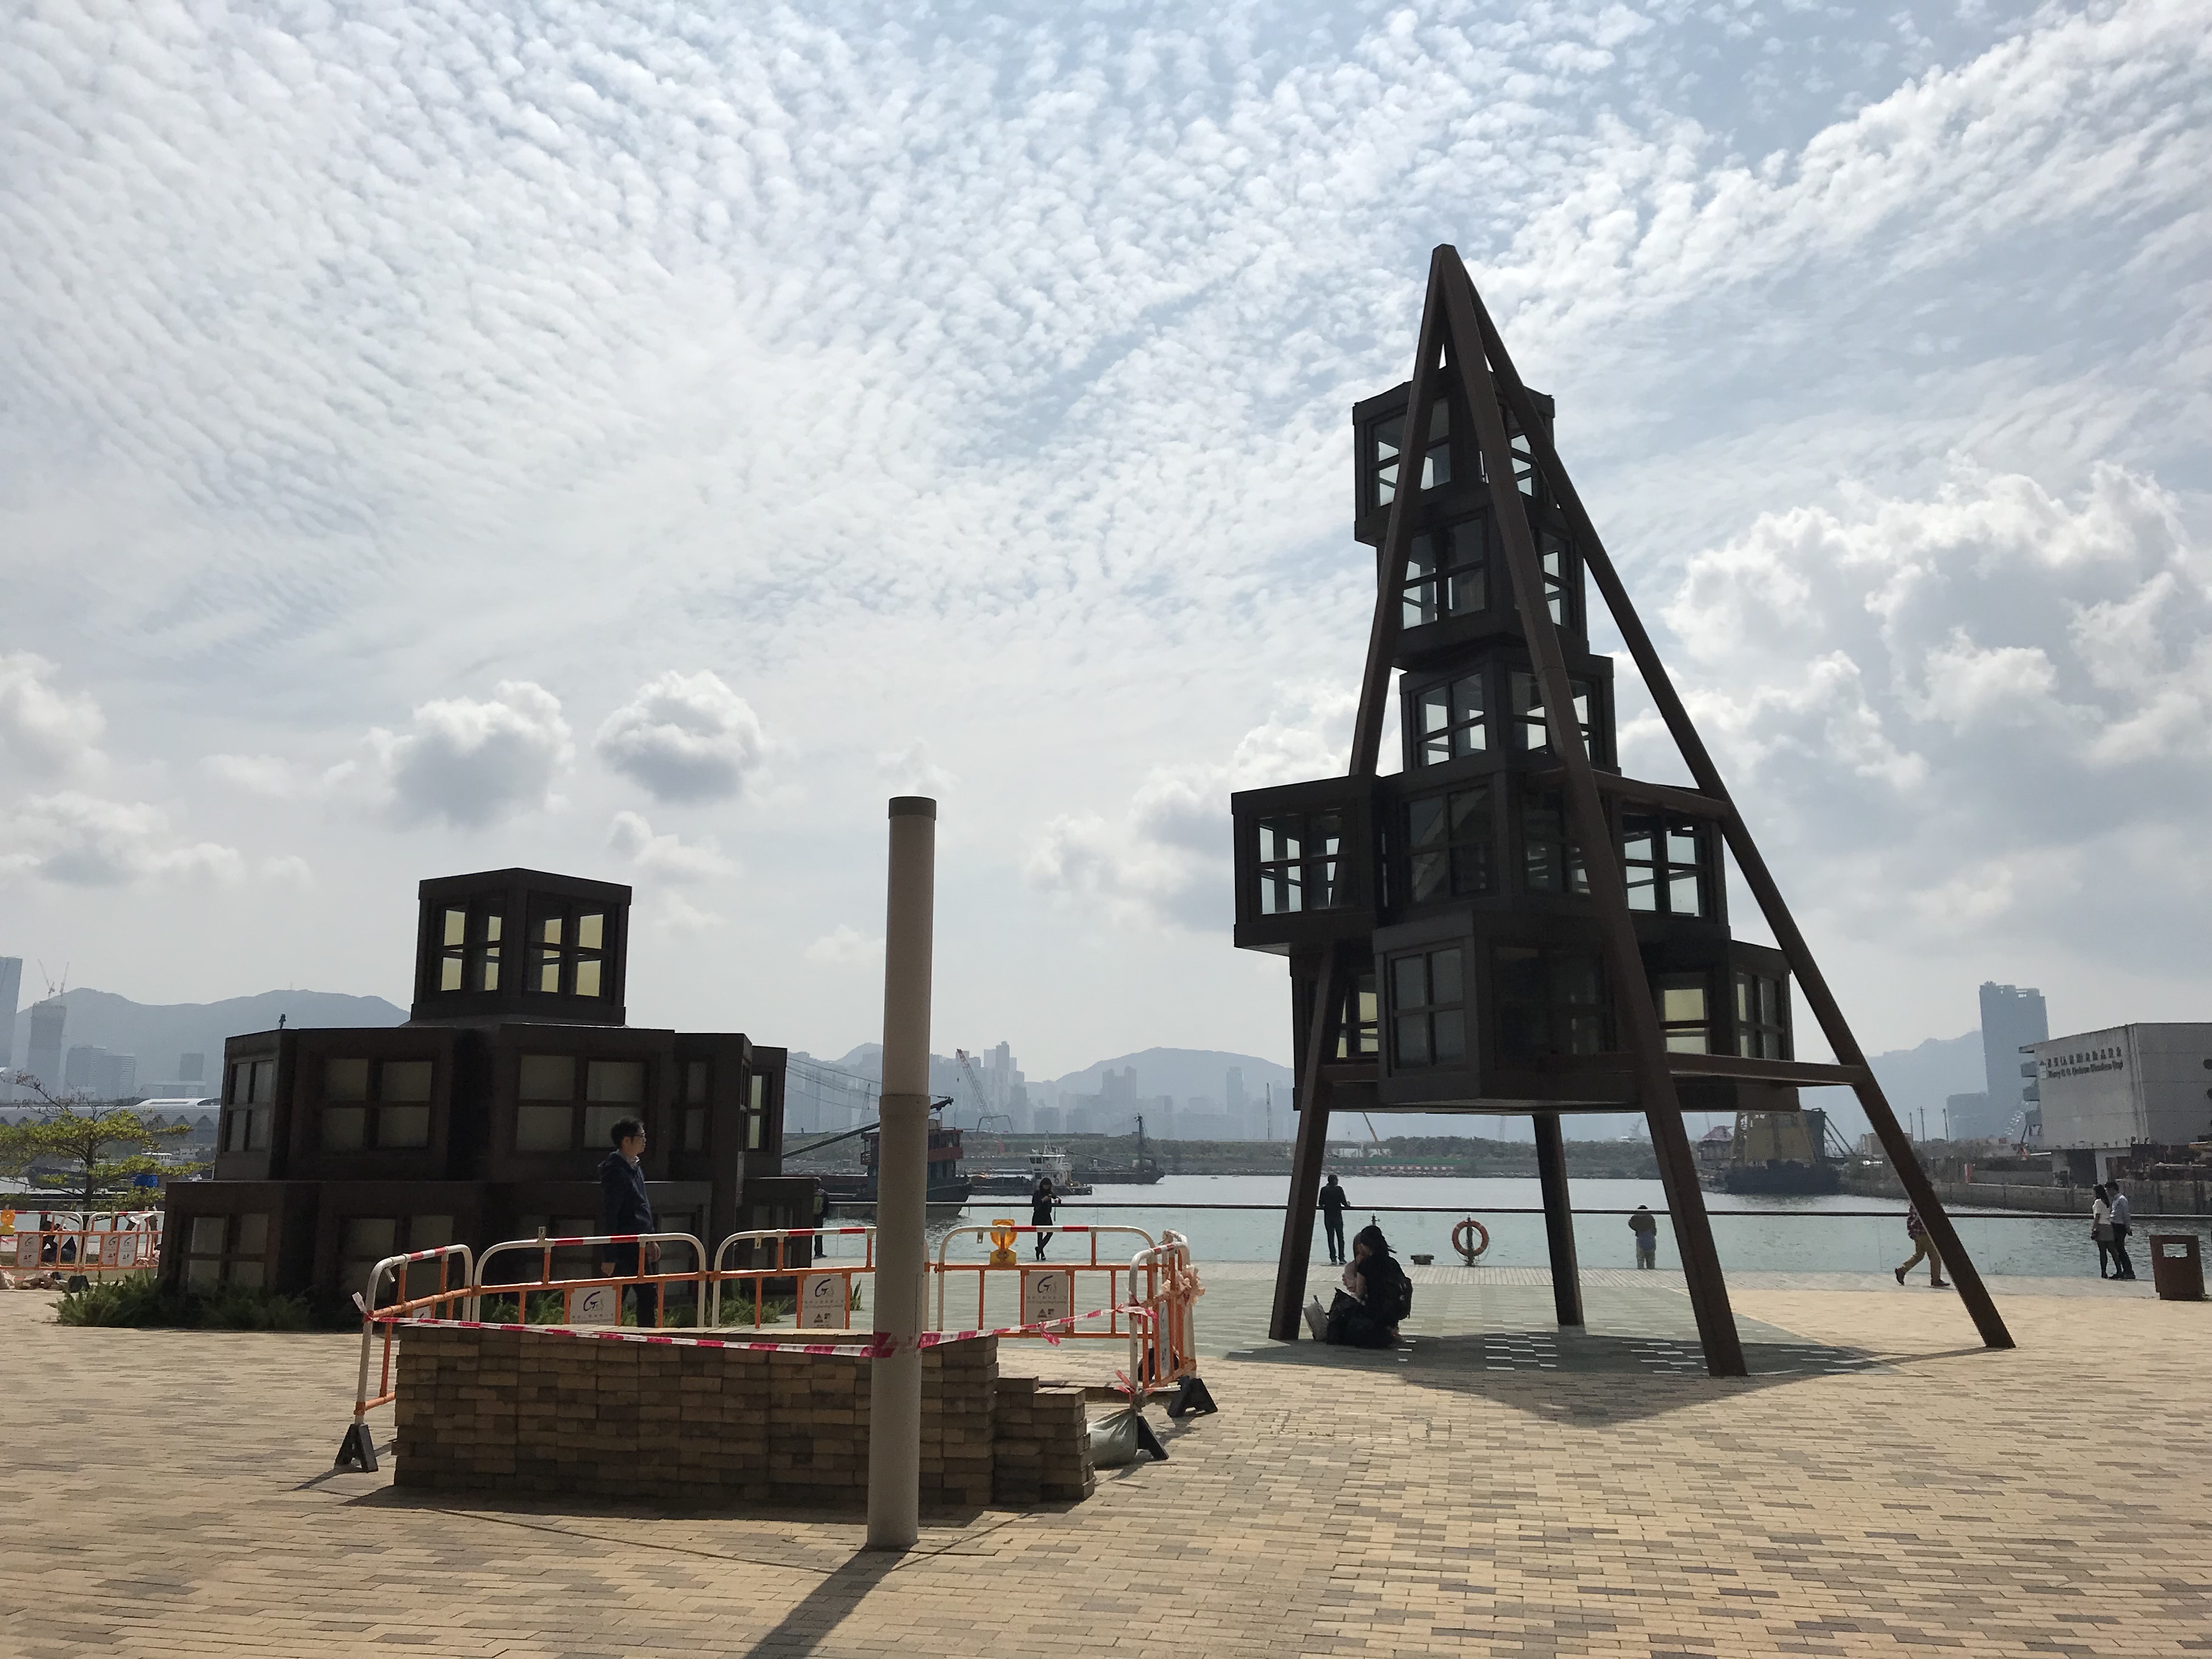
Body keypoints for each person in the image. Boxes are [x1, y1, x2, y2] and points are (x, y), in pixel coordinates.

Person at [1306, 1222, 1412, 1348]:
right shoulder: (1393, 1263)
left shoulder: (1366, 1265)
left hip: (1373, 1312)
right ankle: (1390, 1331)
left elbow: (1359, 1293)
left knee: (1343, 1316)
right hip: (1394, 1312)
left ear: (1365, 1245)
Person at [597, 1118, 661, 1325]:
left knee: (644, 1292)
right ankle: (621, 1335)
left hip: (639, 1241)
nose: (645, 1141)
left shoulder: (635, 1166)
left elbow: (643, 1205)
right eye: (641, 1137)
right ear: (626, 1140)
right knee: (628, 1293)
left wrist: (651, 1238)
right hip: (625, 1243)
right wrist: (609, 1255)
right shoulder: (615, 1170)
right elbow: (610, 1214)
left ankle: (643, 1335)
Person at [1894, 1203, 1948, 1288]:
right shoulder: (1925, 1204)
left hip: (1917, 1233)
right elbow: (1925, 1218)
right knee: (1935, 1256)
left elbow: (1910, 1218)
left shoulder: (1914, 1203)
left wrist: (1911, 1231)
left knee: (1919, 1255)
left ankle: (1902, 1270)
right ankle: (1936, 1280)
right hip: (1925, 1233)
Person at [1318, 1173, 1351, 1265]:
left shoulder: (1324, 1190)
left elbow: (1321, 1203)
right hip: (1337, 1216)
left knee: (1330, 1238)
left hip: (1328, 1217)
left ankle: (1333, 1258)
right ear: (1335, 1181)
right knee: (1340, 1238)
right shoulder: (1339, 1189)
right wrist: (1348, 1204)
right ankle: (1342, 1258)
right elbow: (1344, 1203)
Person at [2108, 1184, 2136, 1280]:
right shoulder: (2115, 1200)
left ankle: (2129, 1271)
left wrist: (2128, 1227)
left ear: (2113, 1189)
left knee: (2120, 1249)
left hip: (2120, 1226)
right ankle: (2122, 1271)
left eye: (2108, 1190)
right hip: (2115, 1226)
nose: (2108, 1192)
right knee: (2117, 1249)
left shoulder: (2122, 1200)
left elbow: (2126, 1214)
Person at [2090, 1184, 2117, 1279]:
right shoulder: (2107, 1202)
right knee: (2112, 1250)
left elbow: (2097, 1216)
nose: (2092, 1192)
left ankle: (2104, 1272)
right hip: (2108, 1226)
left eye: (2093, 1191)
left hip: (2101, 1226)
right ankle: (2119, 1269)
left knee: (2103, 1251)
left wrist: (2094, 1228)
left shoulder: (2098, 1202)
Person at [1030, 1176, 1056, 1261]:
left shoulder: (1049, 1193)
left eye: (1048, 1186)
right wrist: (1043, 1200)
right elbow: (1034, 1203)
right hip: (1039, 1215)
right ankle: (1042, 1254)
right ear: (1042, 1185)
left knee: (1050, 1233)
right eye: (1045, 1186)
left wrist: (1056, 1200)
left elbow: (1055, 1197)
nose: (1047, 1187)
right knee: (1040, 1234)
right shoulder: (1037, 1192)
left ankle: (1039, 1249)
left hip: (1047, 1215)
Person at [1629, 1204, 1658, 1269]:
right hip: (1651, 1238)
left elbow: (1631, 1223)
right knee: (1651, 1259)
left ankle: (1641, 1271)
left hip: (1641, 1239)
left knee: (1640, 1259)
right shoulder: (1650, 1217)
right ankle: (1652, 1271)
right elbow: (1654, 1230)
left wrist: (1637, 1229)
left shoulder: (1636, 1217)